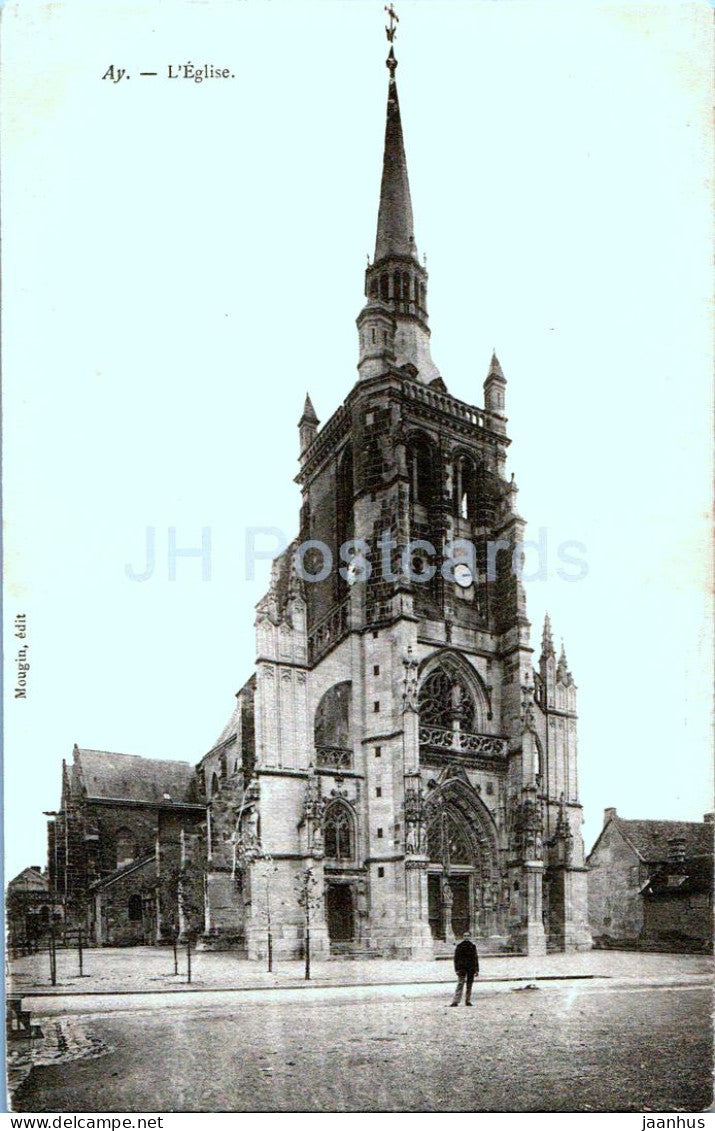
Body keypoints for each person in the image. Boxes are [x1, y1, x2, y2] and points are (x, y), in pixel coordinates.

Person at [450, 929, 479, 1006]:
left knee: (469, 985)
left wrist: (476, 970)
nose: (466, 937)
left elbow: (475, 958)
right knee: (460, 984)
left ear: (470, 937)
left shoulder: (473, 946)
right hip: (462, 968)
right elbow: (456, 959)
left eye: (468, 936)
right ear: (463, 937)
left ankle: (468, 1000)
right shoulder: (459, 946)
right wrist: (457, 969)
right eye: (465, 936)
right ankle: (456, 1001)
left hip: (471, 968)